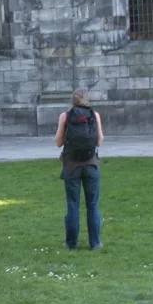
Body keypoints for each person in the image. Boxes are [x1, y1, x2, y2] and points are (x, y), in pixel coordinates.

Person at [55, 89, 104, 251]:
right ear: (86, 100)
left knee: (73, 205)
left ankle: (71, 244)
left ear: (72, 101)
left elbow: (58, 142)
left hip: (71, 166)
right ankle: (95, 243)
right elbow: (100, 141)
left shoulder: (65, 116)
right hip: (91, 164)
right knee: (92, 205)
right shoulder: (94, 116)